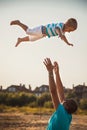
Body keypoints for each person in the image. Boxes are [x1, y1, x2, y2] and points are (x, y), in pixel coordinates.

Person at [43, 58, 78, 130]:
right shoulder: (68, 115)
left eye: (66, 101)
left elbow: (53, 92)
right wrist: (57, 73)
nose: (64, 100)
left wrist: (50, 72)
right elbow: (61, 92)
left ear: (67, 107)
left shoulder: (61, 113)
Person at [10, 18, 77, 47]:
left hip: (43, 34)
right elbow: (57, 28)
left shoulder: (63, 32)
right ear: (68, 25)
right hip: (42, 29)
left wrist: (68, 43)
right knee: (28, 31)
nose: (69, 32)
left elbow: (63, 37)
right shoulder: (61, 25)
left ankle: (20, 39)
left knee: (32, 39)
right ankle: (18, 23)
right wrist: (60, 34)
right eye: (70, 30)